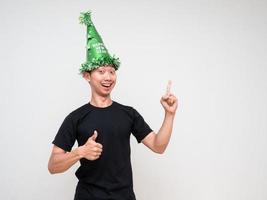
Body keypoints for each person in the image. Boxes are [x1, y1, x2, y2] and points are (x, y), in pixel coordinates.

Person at [48, 11, 178, 200]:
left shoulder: (128, 114)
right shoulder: (76, 118)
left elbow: (159, 146)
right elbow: (53, 165)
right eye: (101, 71)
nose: (108, 77)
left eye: (111, 71)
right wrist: (80, 152)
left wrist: (169, 115)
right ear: (87, 76)